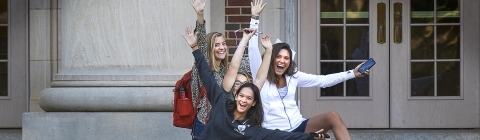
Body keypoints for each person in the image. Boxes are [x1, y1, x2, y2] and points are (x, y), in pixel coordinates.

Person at [181, 25, 327, 140]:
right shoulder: (221, 103)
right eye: (242, 96)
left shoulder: (252, 129)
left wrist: (310, 136)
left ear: (254, 102)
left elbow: (280, 136)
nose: (244, 100)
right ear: (236, 95)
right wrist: (195, 48)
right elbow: (207, 75)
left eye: (249, 98)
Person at [248, 19, 369, 140]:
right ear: (271, 57)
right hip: (277, 132)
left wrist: (353, 73)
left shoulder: (293, 76)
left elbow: (323, 81)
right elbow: (253, 51)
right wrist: (254, 19)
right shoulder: (261, 77)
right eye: (278, 57)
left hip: (298, 125)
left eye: (286, 58)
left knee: (333, 116)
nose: (282, 61)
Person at [188, 0, 264, 137]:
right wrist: (200, 14)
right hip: (205, 123)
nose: (222, 47)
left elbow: (254, 60)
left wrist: (255, 19)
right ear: (210, 48)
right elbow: (201, 45)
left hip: (224, 124)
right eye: (217, 45)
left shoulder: (227, 69)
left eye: (223, 44)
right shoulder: (202, 67)